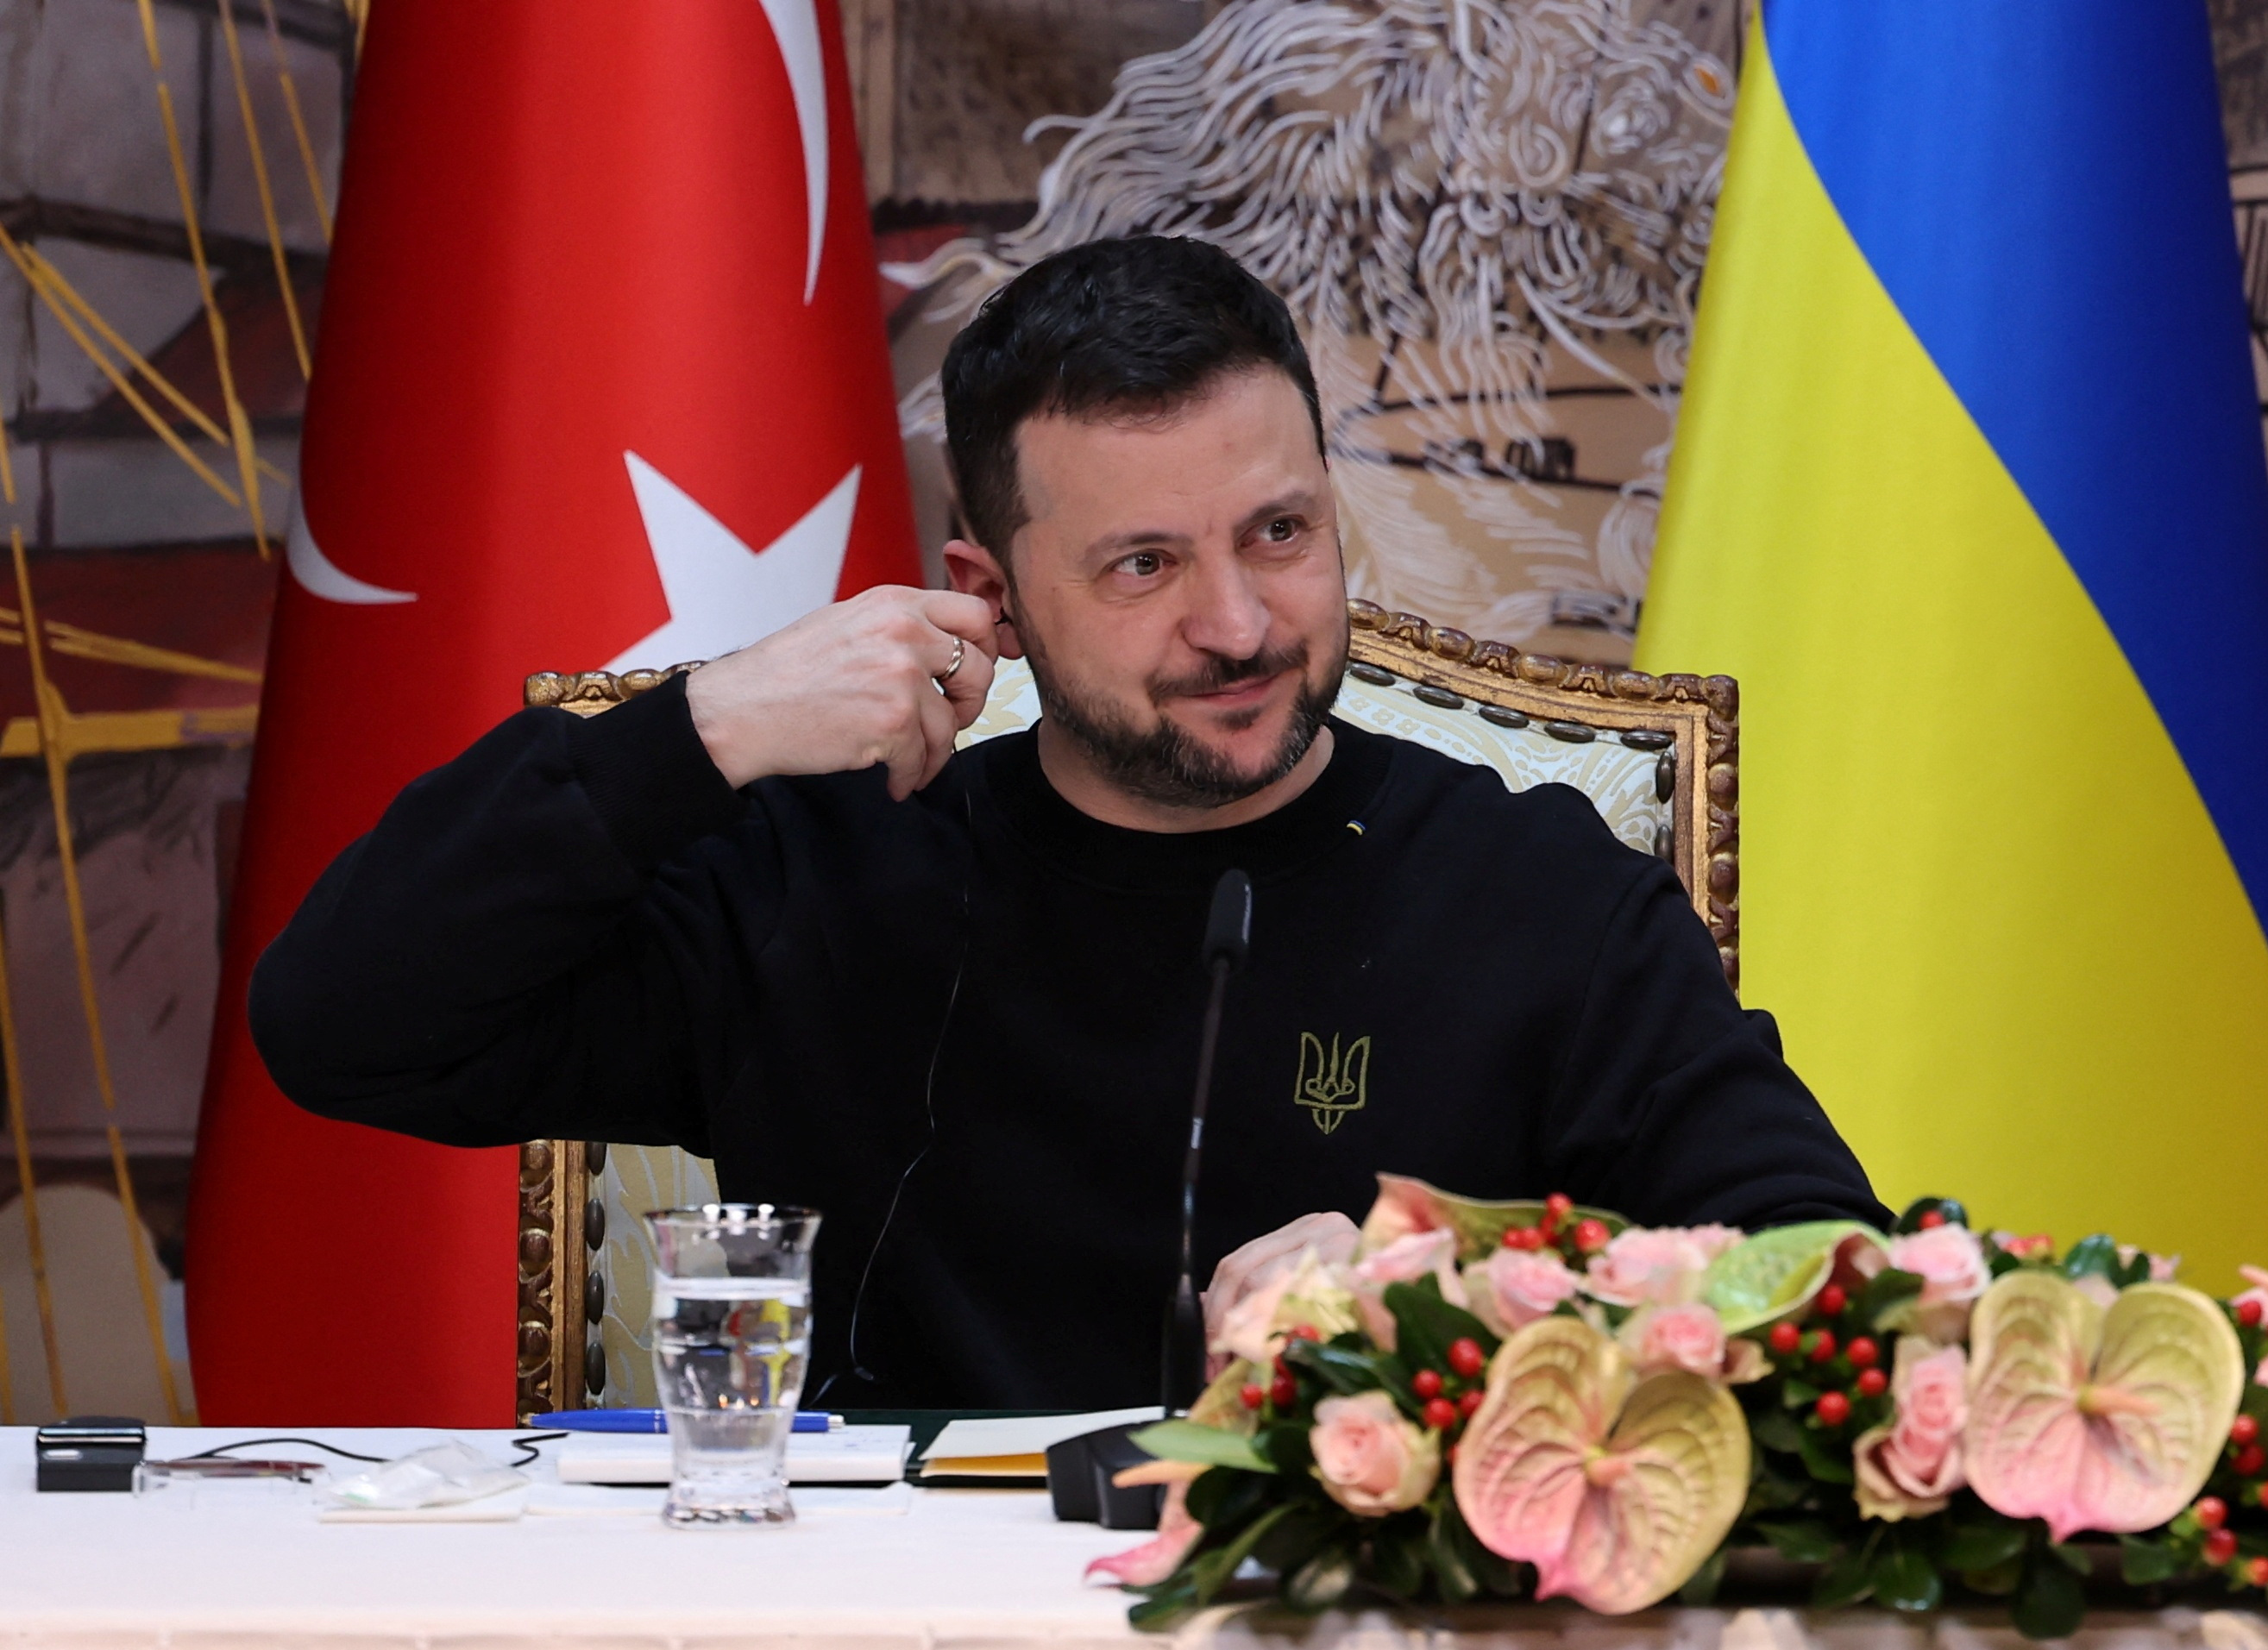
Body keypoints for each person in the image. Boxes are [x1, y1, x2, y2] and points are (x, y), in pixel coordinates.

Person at [251, 235, 1884, 1408]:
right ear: (994, 595)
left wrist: (1464, 1289)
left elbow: (1832, 1280)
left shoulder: (1534, 887)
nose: (1238, 624)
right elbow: (344, 1024)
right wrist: (703, 726)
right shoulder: (826, 871)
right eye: (1141, 565)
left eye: (1280, 532)